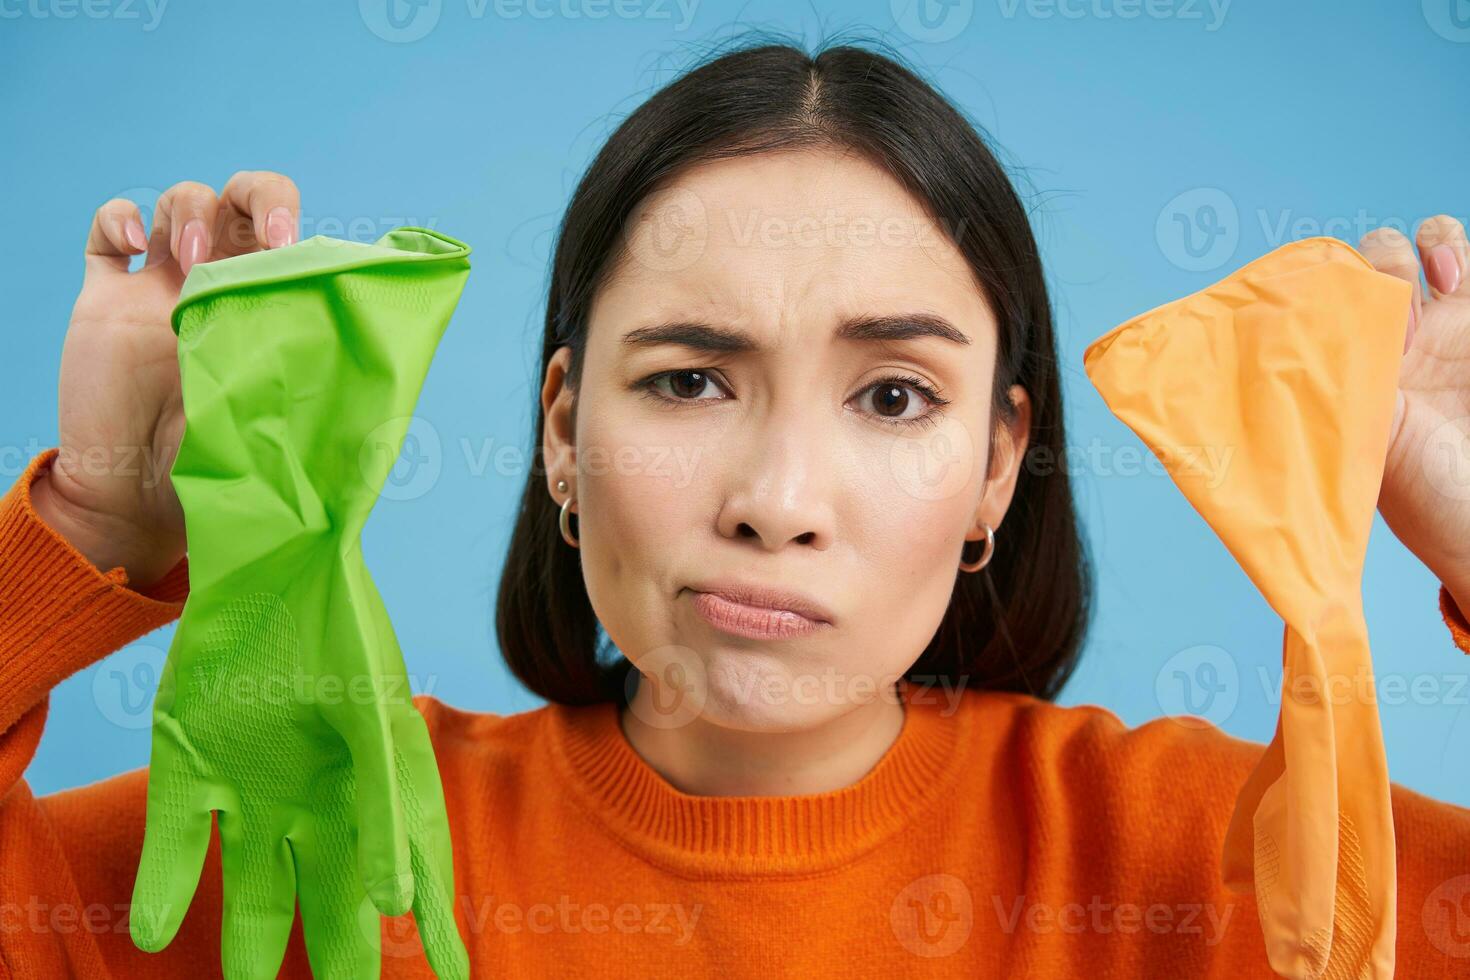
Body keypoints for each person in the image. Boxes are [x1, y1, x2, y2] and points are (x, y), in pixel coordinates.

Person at [4, 39, 1469, 978]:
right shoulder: (305, 842)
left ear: (996, 468)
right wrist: (100, 522)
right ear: (563, 431)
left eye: (892, 396)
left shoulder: (1205, 857)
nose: (776, 502)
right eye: (692, 380)